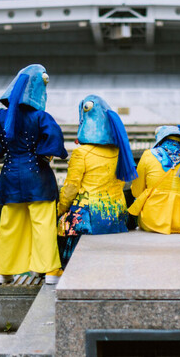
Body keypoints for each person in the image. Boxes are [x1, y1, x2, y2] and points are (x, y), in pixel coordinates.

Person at [0, 64, 67, 284]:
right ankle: (50, 271)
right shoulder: (41, 117)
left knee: (9, 225)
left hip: (9, 176)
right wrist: (44, 157)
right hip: (38, 177)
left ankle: (4, 272)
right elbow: (53, 145)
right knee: (43, 224)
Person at [57, 95, 137, 268]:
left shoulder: (82, 153)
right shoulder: (118, 150)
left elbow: (71, 188)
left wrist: (60, 209)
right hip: (116, 213)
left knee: (63, 231)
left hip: (88, 216)